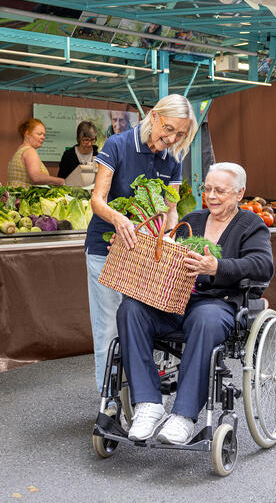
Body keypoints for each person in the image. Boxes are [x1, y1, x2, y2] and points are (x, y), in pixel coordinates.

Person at [118, 162, 274, 444]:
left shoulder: (252, 225)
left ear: (239, 193)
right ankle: (148, 404)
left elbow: (262, 265)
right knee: (131, 309)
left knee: (205, 320)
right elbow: (168, 256)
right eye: (208, 189)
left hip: (217, 303)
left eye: (220, 191)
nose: (211, 196)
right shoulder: (193, 219)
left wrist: (218, 267)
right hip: (176, 300)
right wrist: (133, 250)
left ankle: (183, 416)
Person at [85, 94, 197, 395]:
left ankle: (141, 395)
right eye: (169, 129)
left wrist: (169, 235)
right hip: (107, 248)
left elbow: (170, 209)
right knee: (109, 327)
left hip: (147, 253)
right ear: (155, 116)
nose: (171, 138)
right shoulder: (117, 145)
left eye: (180, 134)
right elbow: (97, 200)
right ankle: (109, 399)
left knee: (141, 323)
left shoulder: (173, 159)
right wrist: (118, 218)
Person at [6, 119, 66, 188]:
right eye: (39, 134)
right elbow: (36, 177)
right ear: (27, 134)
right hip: (26, 194)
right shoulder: (30, 151)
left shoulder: (19, 151)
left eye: (44, 135)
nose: (43, 137)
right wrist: (61, 181)